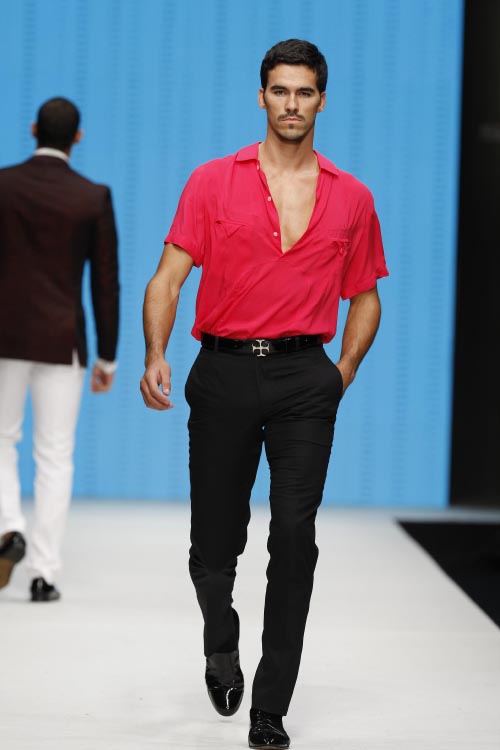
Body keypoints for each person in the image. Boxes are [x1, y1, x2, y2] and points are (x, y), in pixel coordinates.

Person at [140, 39, 388, 748]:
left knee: (296, 538)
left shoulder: (352, 196)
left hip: (304, 378)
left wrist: (340, 373)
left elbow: (366, 296)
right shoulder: (212, 181)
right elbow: (167, 278)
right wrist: (156, 353)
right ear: (261, 97)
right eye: (280, 90)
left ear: (322, 101)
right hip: (221, 372)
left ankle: (269, 707)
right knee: (214, 544)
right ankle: (221, 640)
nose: (291, 104)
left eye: (304, 92)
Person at [0, 97, 119, 602]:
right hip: (63, 339)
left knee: (1, 439)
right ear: (78, 137)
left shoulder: (3, 185)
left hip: (5, 336)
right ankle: (44, 573)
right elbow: (105, 283)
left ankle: (8, 526)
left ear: (33, 130)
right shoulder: (92, 196)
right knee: (55, 455)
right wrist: (107, 356)